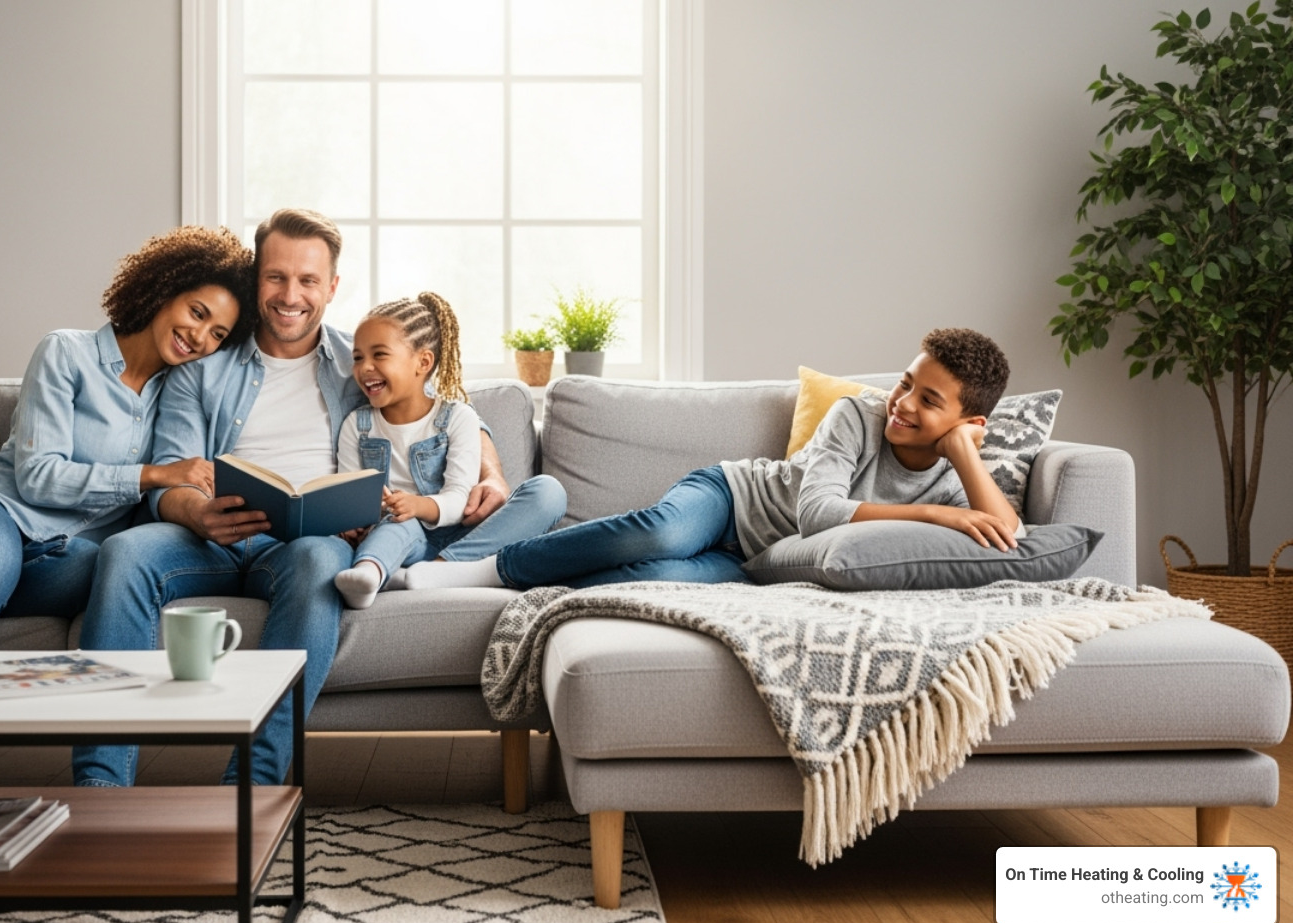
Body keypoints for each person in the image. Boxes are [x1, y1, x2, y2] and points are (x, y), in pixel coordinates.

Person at [71, 207, 512, 789]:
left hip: (302, 542)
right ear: (257, 280)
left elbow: (437, 406)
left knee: (319, 561)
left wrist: (493, 469)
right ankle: (101, 789)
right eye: (276, 277)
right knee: (124, 553)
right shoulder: (204, 364)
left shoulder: (355, 360)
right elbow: (173, 476)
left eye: (308, 281)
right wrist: (196, 513)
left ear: (332, 287)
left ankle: (248, 790)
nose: (290, 295)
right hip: (209, 536)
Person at [0, 226, 258, 788]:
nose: (200, 337)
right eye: (196, 312)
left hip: (63, 554)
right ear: (164, 289)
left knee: (119, 570)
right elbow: (39, 478)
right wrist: (153, 473)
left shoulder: (178, 397)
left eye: (218, 333)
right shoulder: (66, 351)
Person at [404, 328, 1021, 591]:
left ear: (969, 424)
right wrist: (941, 518)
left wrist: (966, 458)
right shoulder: (858, 415)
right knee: (664, 533)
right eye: (907, 383)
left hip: (753, 562)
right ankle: (488, 571)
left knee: (655, 582)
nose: (903, 403)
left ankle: (534, 589)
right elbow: (816, 511)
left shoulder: (953, 465)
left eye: (928, 400)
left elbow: (1008, 538)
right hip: (731, 498)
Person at [332, 292, 566, 609]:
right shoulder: (355, 426)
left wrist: (418, 504)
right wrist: (354, 516)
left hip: (462, 533)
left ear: (423, 362)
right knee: (395, 528)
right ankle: (369, 574)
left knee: (548, 492)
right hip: (400, 533)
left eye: (380, 355)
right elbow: (349, 495)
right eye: (358, 357)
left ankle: (439, 570)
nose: (365, 367)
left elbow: (459, 498)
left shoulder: (457, 418)